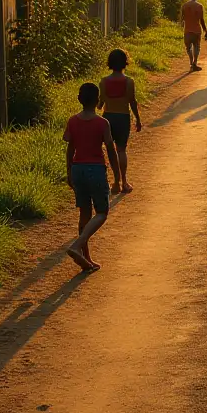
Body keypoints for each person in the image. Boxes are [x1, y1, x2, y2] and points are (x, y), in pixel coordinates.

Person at [63, 82, 121, 272]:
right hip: (95, 169)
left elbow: (70, 149)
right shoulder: (102, 123)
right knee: (102, 212)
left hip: (77, 169)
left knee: (84, 214)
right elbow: (111, 150)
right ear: (97, 101)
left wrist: (68, 172)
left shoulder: (72, 121)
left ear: (79, 99)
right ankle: (77, 245)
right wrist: (117, 176)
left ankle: (85, 259)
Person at [98, 48, 141, 194]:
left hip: (108, 118)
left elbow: (100, 103)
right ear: (125, 63)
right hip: (123, 117)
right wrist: (138, 118)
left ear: (109, 63)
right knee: (121, 150)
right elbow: (132, 102)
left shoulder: (104, 81)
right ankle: (124, 182)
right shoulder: (129, 82)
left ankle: (115, 183)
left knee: (110, 151)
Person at [180, 0, 207, 71]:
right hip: (196, 31)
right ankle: (194, 63)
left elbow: (182, 19)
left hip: (187, 30)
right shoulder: (199, 6)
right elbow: (201, 20)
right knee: (197, 47)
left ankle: (191, 62)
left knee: (188, 48)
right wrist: (205, 31)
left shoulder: (185, 5)